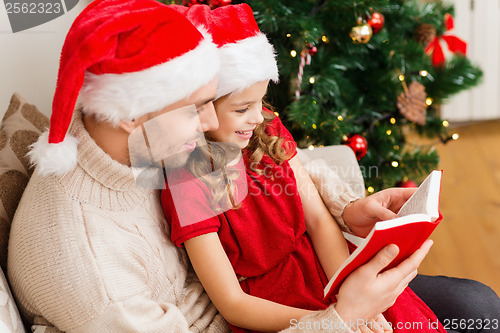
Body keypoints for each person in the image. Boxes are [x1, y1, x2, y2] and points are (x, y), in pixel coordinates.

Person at [7, 0, 434, 332]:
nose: (213, 124)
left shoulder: (148, 143)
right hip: (267, 317)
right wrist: (343, 317)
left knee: (476, 305)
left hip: (306, 294)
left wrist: (346, 210)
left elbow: (274, 171)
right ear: (130, 114)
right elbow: (233, 302)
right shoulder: (94, 277)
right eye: (196, 109)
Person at [162, 4, 447, 333]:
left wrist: (348, 296)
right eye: (242, 109)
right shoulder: (185, 181)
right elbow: (232, 303)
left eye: (260, 102)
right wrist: (336, 319)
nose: (257, 117)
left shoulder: (267, 129)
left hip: (327, 270)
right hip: (275, 307)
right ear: (200, 109)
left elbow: (317, 220)